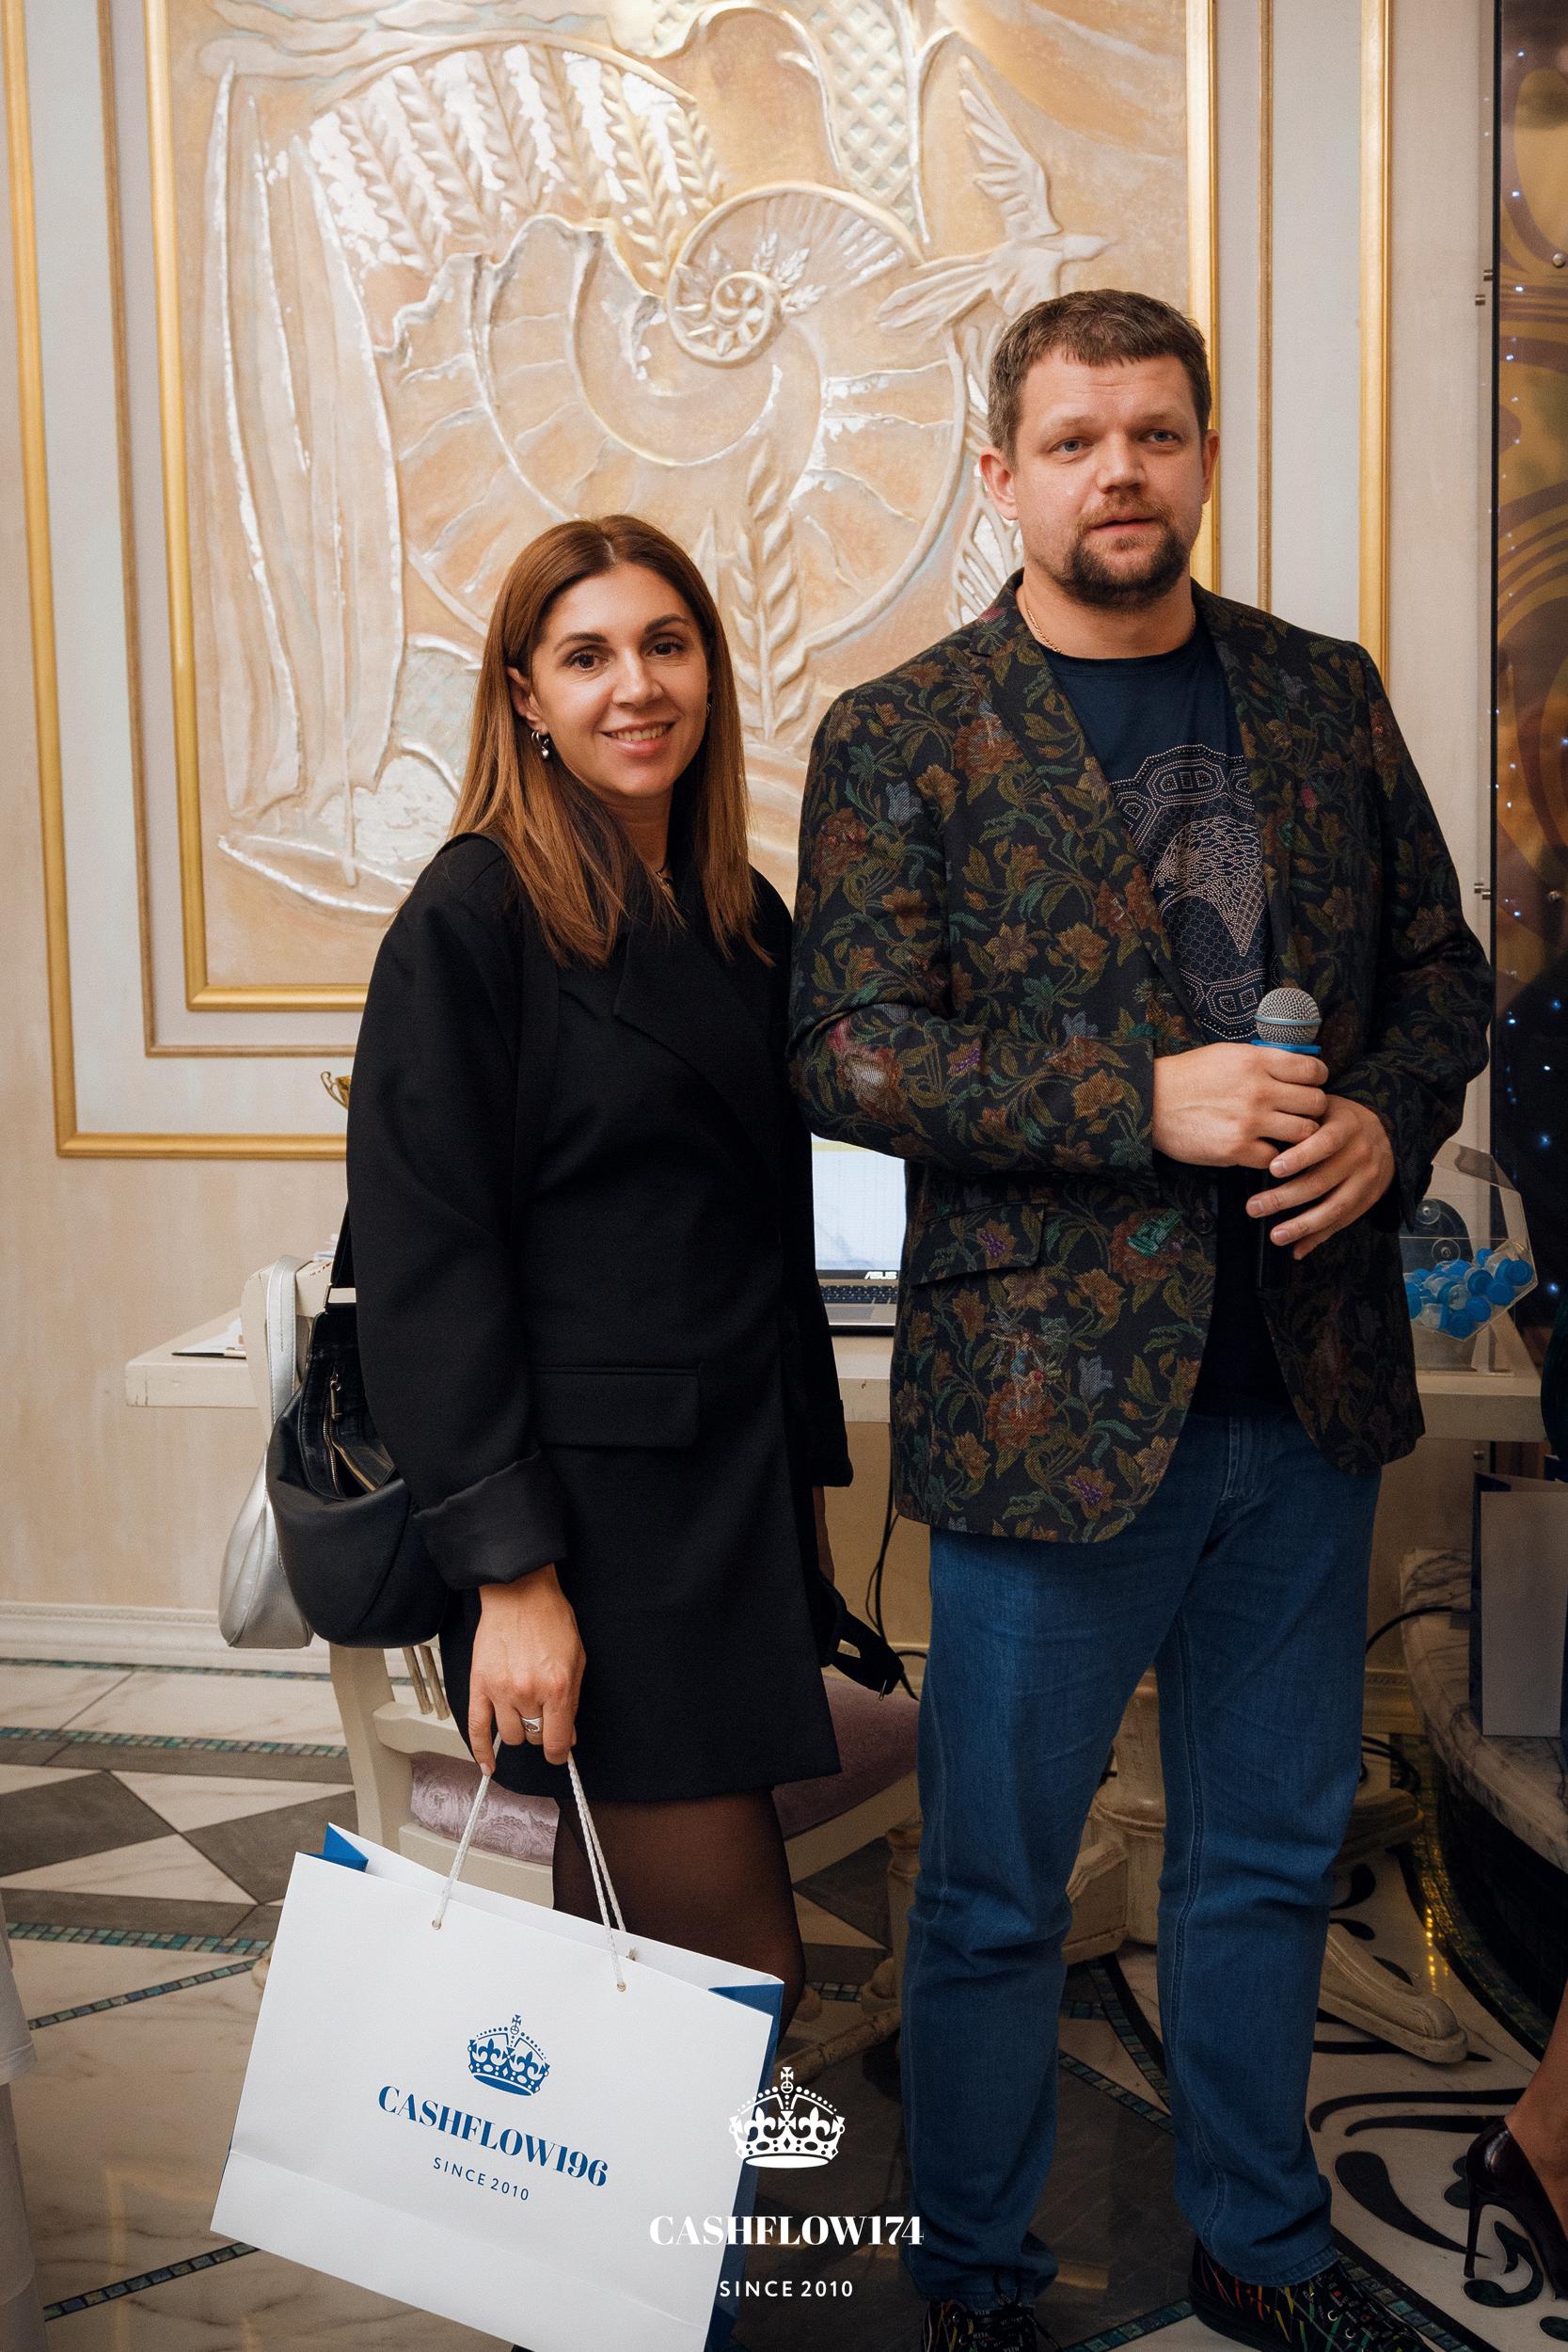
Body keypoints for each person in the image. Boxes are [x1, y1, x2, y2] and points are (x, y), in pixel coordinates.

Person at [789, 289, 1493, 2352]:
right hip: (1043, 1415)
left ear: (1203, 455)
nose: (1122, 472)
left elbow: (1446, 978)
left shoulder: (1321, 691)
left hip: (1307, 1389)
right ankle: (977, 2276)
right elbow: (843, 1048)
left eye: (1157, 434)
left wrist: (1388, 1116)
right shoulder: (904, 731)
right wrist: (1138, 1100)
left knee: (1266, 1857)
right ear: (1000, 473)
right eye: (1076, 439)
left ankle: (1259, 2241)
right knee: (998, 1889)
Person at [346, 513, 852, 2345]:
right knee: (724, 1974)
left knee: (653, 1975)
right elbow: (429, 1264)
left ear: (711, 668)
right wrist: (513, 1578)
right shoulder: (474, 913)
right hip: (593, 1532)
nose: (636, 685)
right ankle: (641, 2312)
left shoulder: (736, 913)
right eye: (586, 654)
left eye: (666, 642)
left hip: (720, 1505)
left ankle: (623, 2308)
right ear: (524, 696)